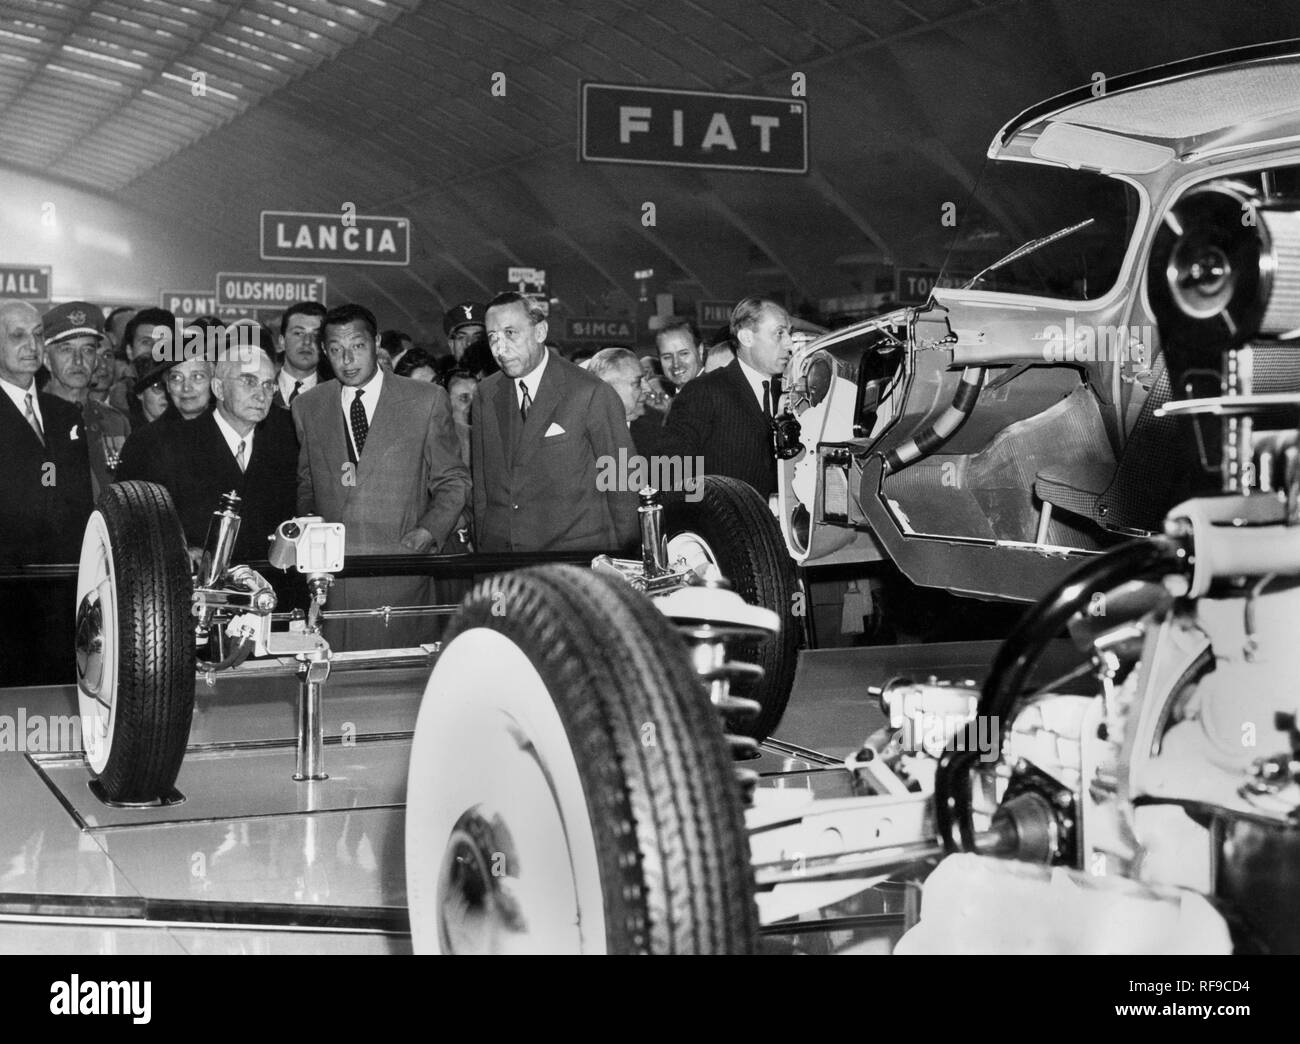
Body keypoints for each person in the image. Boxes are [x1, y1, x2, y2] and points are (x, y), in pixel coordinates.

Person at [293, 303, 469, 649]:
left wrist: (429, 532)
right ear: (324, 352)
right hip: (336, 584)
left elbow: (453, 480)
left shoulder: (425, 400)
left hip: (402, 574)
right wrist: (310, 526)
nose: (347, 360)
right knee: (340, 692)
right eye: (335, 349)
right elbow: (307, 482)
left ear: (376, 343)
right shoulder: (308, 406)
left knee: (396, 690)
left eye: (357, 346)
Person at [472, 292, 638, 553]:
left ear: (541, 331)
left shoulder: (589, 392)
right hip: (504, 563)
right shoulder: (485, 393)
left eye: (511, 333)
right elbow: (483, 489)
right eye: (493, 337)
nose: (500, 349)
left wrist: (628, 558)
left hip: (573, 561)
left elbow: (623, 483)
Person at [121, 329, 298, 569]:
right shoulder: (159, 444)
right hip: (193, 591)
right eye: (248, 381)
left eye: (268, 385)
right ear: (219, 388)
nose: (261, 394)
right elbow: (134, 522)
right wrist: (179, 550)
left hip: (273, 591)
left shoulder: (287, 438)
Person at [0, 299, 94, 685]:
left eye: (38, 335)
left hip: (62, 587)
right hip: (7, 590)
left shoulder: (62, 414)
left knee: (60, 694)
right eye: (17, 336)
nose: (31, 345)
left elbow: (58, 485)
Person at [659, 297, 793, 500]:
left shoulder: (788, 393)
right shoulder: (704, 391)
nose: (789, 343)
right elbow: (672, 473)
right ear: (747, 337)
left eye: (789, 334)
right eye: (779, 334)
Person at [39, 301, 131, 499]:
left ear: (95, 360)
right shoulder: (33, 419)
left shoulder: (114, 421)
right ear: (46, 359)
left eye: (88, 350)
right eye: (66, 349)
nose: (78, 360)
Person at [589, 346, 667, 460]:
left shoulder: (661, 428)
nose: (648, 389)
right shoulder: (575, 430)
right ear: (608, 390)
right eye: (637, 382)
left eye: (645, 380)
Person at [273, 301, 326, 409]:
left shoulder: (335, 396)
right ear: (282, 342)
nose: (307, 341)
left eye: (316, 335)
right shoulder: (261, 391)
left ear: (325, 345)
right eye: (298, 333)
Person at [656, 318, 705, 389]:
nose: (676, 364)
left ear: (700, 350)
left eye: (684, 354)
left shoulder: (715, 393)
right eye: (667, 357)